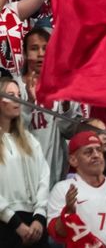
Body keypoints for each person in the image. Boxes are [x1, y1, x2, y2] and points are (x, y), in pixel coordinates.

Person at [0, 76, 49, 248]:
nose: (17, 99)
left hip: (35, 223)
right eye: (10, 94)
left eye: (19, 94)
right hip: (5, 225)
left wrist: (39, 216)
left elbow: (44, 176)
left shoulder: (29, 139)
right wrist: (15, 223)